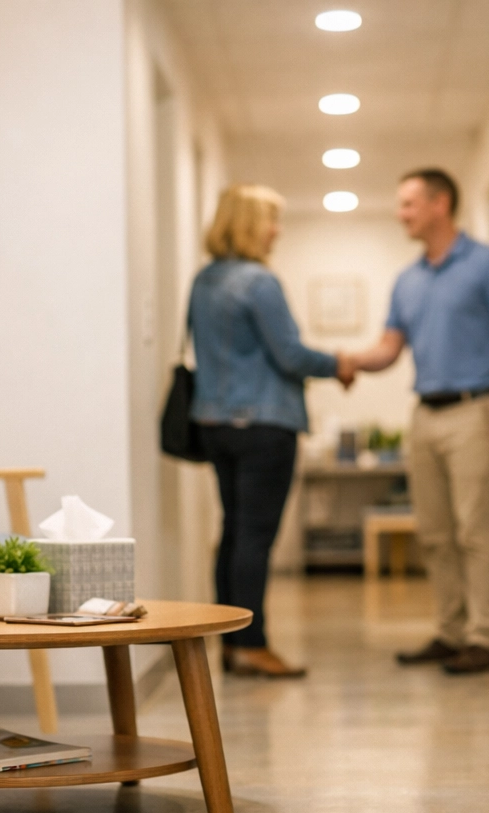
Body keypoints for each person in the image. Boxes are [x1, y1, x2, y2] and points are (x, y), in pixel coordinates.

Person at [343, 169, 489, 675]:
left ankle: (485, 638)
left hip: (479, 409)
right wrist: (344, 361)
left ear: (440, 203)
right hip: (425, 414)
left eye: (408, 203)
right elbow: (389, 348)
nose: (401, 213)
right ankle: (451, 632)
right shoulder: (408, 280)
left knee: (477, 529)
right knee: (434, 533)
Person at [188, 184, 357, 678]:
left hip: (215, 424)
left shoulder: (204, 280)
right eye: (270, 220)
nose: (276, 231)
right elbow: (291, 355)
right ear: (247, 224)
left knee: (234, 531)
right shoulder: (259, 281)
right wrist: (340, 363)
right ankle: (253, 645)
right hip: (264, 423)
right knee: (256, 538)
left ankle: (228, 643)